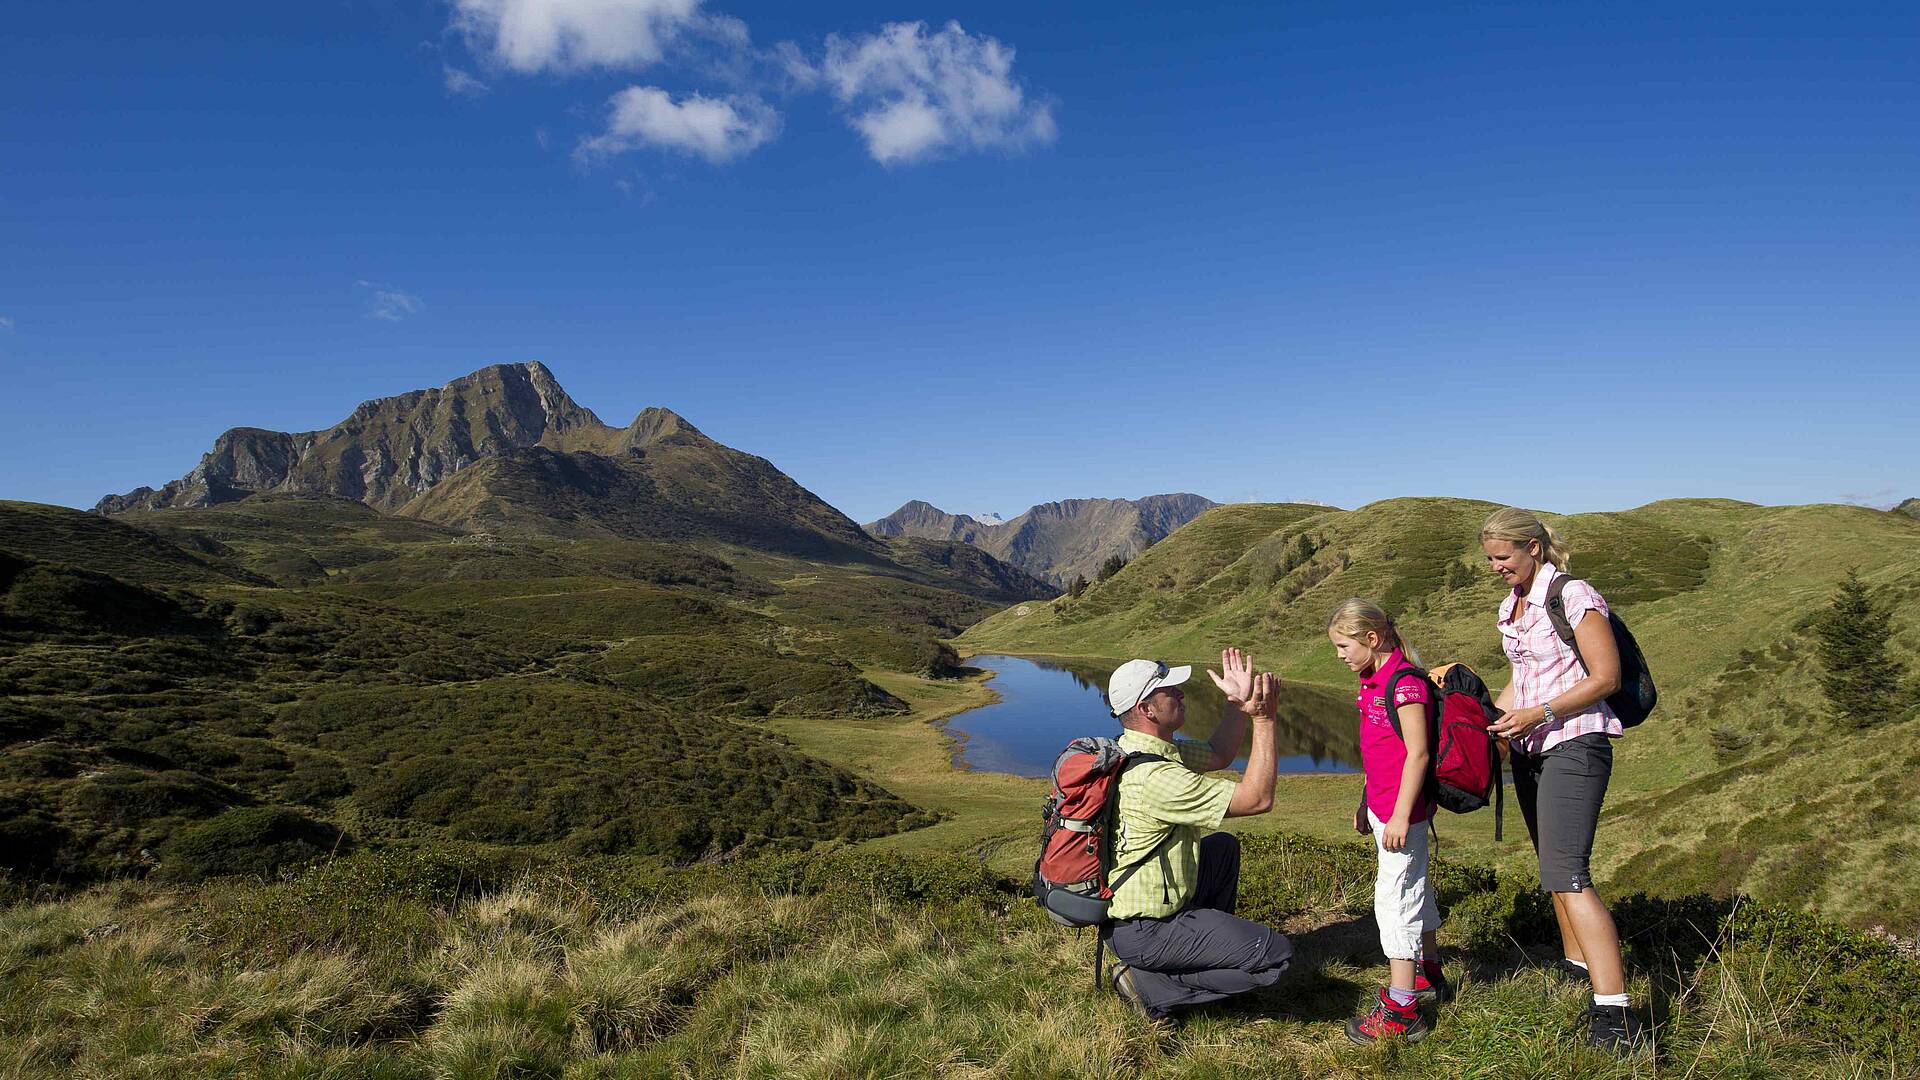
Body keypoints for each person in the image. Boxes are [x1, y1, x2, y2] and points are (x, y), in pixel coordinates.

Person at [1480, 506, 1650, 1054]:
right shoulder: (1513, 605)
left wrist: (1539, 713)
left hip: (1575, 742)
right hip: (1532, 748)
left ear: (1533, 546)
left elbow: (1606, 677)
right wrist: (1491, 722)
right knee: (1553, 870)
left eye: (1502, 557)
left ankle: (1618, 1016)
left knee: (1570, 874)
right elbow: (1521, 679)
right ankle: (1579, 972)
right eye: (1489, 559)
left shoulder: (1573, 594)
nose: (1495, 567)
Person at [1101, 648, 1294, 1027]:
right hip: (1146, 930)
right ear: (1147, 709)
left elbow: (1220, 753)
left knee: (1221, 847)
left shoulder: (1143, 751)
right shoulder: (1155, 779)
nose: (1180, 693)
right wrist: (1265, 719)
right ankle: (1148, 984)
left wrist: (1236, 704)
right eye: (1170, 690)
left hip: (1143, 917)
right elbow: (1258, 799)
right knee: (1276, 957)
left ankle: (1203, 953)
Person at [1326, 599, 1450, 1044]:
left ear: (1372, 639)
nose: (1339, 654)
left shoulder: (1405, 684)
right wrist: (1366, 801)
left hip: (1405, 812)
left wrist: (1400, 814)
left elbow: (1418, 753)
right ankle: (1429, 972)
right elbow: (1378, 751)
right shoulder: (1369, 679)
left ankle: (1402, 1009)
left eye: (1343, 645)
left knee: (1394, 900)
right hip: (1383, 807)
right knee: (1414, 887)